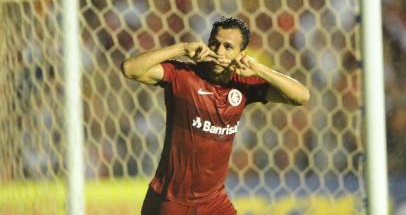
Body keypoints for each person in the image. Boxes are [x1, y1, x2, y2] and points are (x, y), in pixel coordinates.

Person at [121, 16, 310, 215]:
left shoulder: (244, 84)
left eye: (228, 47)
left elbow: (301, 97)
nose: (219, 52)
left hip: (214, 203)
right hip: (171, 201)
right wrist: (183, 49)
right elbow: (130, 69)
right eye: (215, 44)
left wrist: (258, 69)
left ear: (241, 54)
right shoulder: (183, 75)